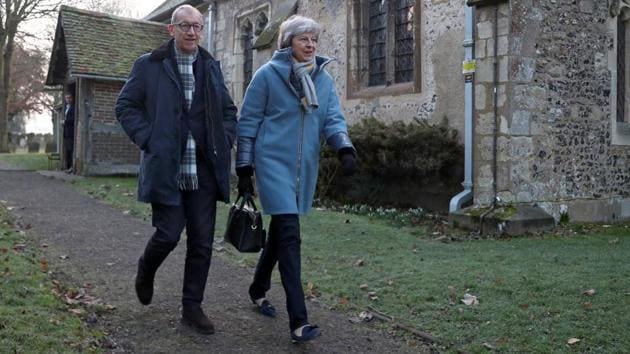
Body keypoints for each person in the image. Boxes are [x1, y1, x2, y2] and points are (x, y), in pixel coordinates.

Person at [115, 4, 237, 335]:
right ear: (172, 29)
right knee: (168, 234)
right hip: (167, 166)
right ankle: (146, 268)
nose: (193, 32)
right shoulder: (149, 64)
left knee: (201, 242)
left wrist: (225, 139)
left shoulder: (211, 66)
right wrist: (148, 137)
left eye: (197, 27)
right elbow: (125, 106)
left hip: (205, 171)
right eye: (185, 26)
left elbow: (228, 110)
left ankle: (192, 307)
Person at [235, 15, 357, 343]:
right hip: (272, 162)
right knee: (290, 234)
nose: (311, 45)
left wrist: (344, 147)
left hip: (304, 167)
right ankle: (299, 321)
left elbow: (332, 118)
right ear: (287, 42)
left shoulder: (323, 79)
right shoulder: (267, 76)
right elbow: (248, 123)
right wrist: (244, 168)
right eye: (304, 39)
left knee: (280, 233)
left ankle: (258, 287)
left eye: (314, 40)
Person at [62, 92, 75, 173]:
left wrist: (65, 122)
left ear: (72, 98)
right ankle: (68, 167)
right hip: (66, 132)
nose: (68, 99)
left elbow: (73, 119)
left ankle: (71, 167)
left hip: (71, 131)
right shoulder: (66, 107)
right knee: (67, 150)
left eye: (69, 98)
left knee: (71, 149)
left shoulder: (73, 107)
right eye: (67, 98)